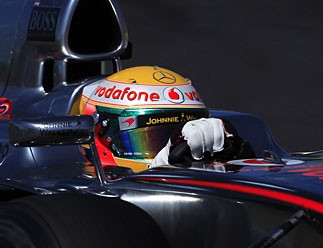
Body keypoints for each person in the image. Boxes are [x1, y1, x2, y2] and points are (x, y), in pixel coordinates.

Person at [72, 65, 253, 172]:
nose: (175, 148)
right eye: (153, 137)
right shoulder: (82, 198)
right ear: (103, 136)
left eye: (178, 138)